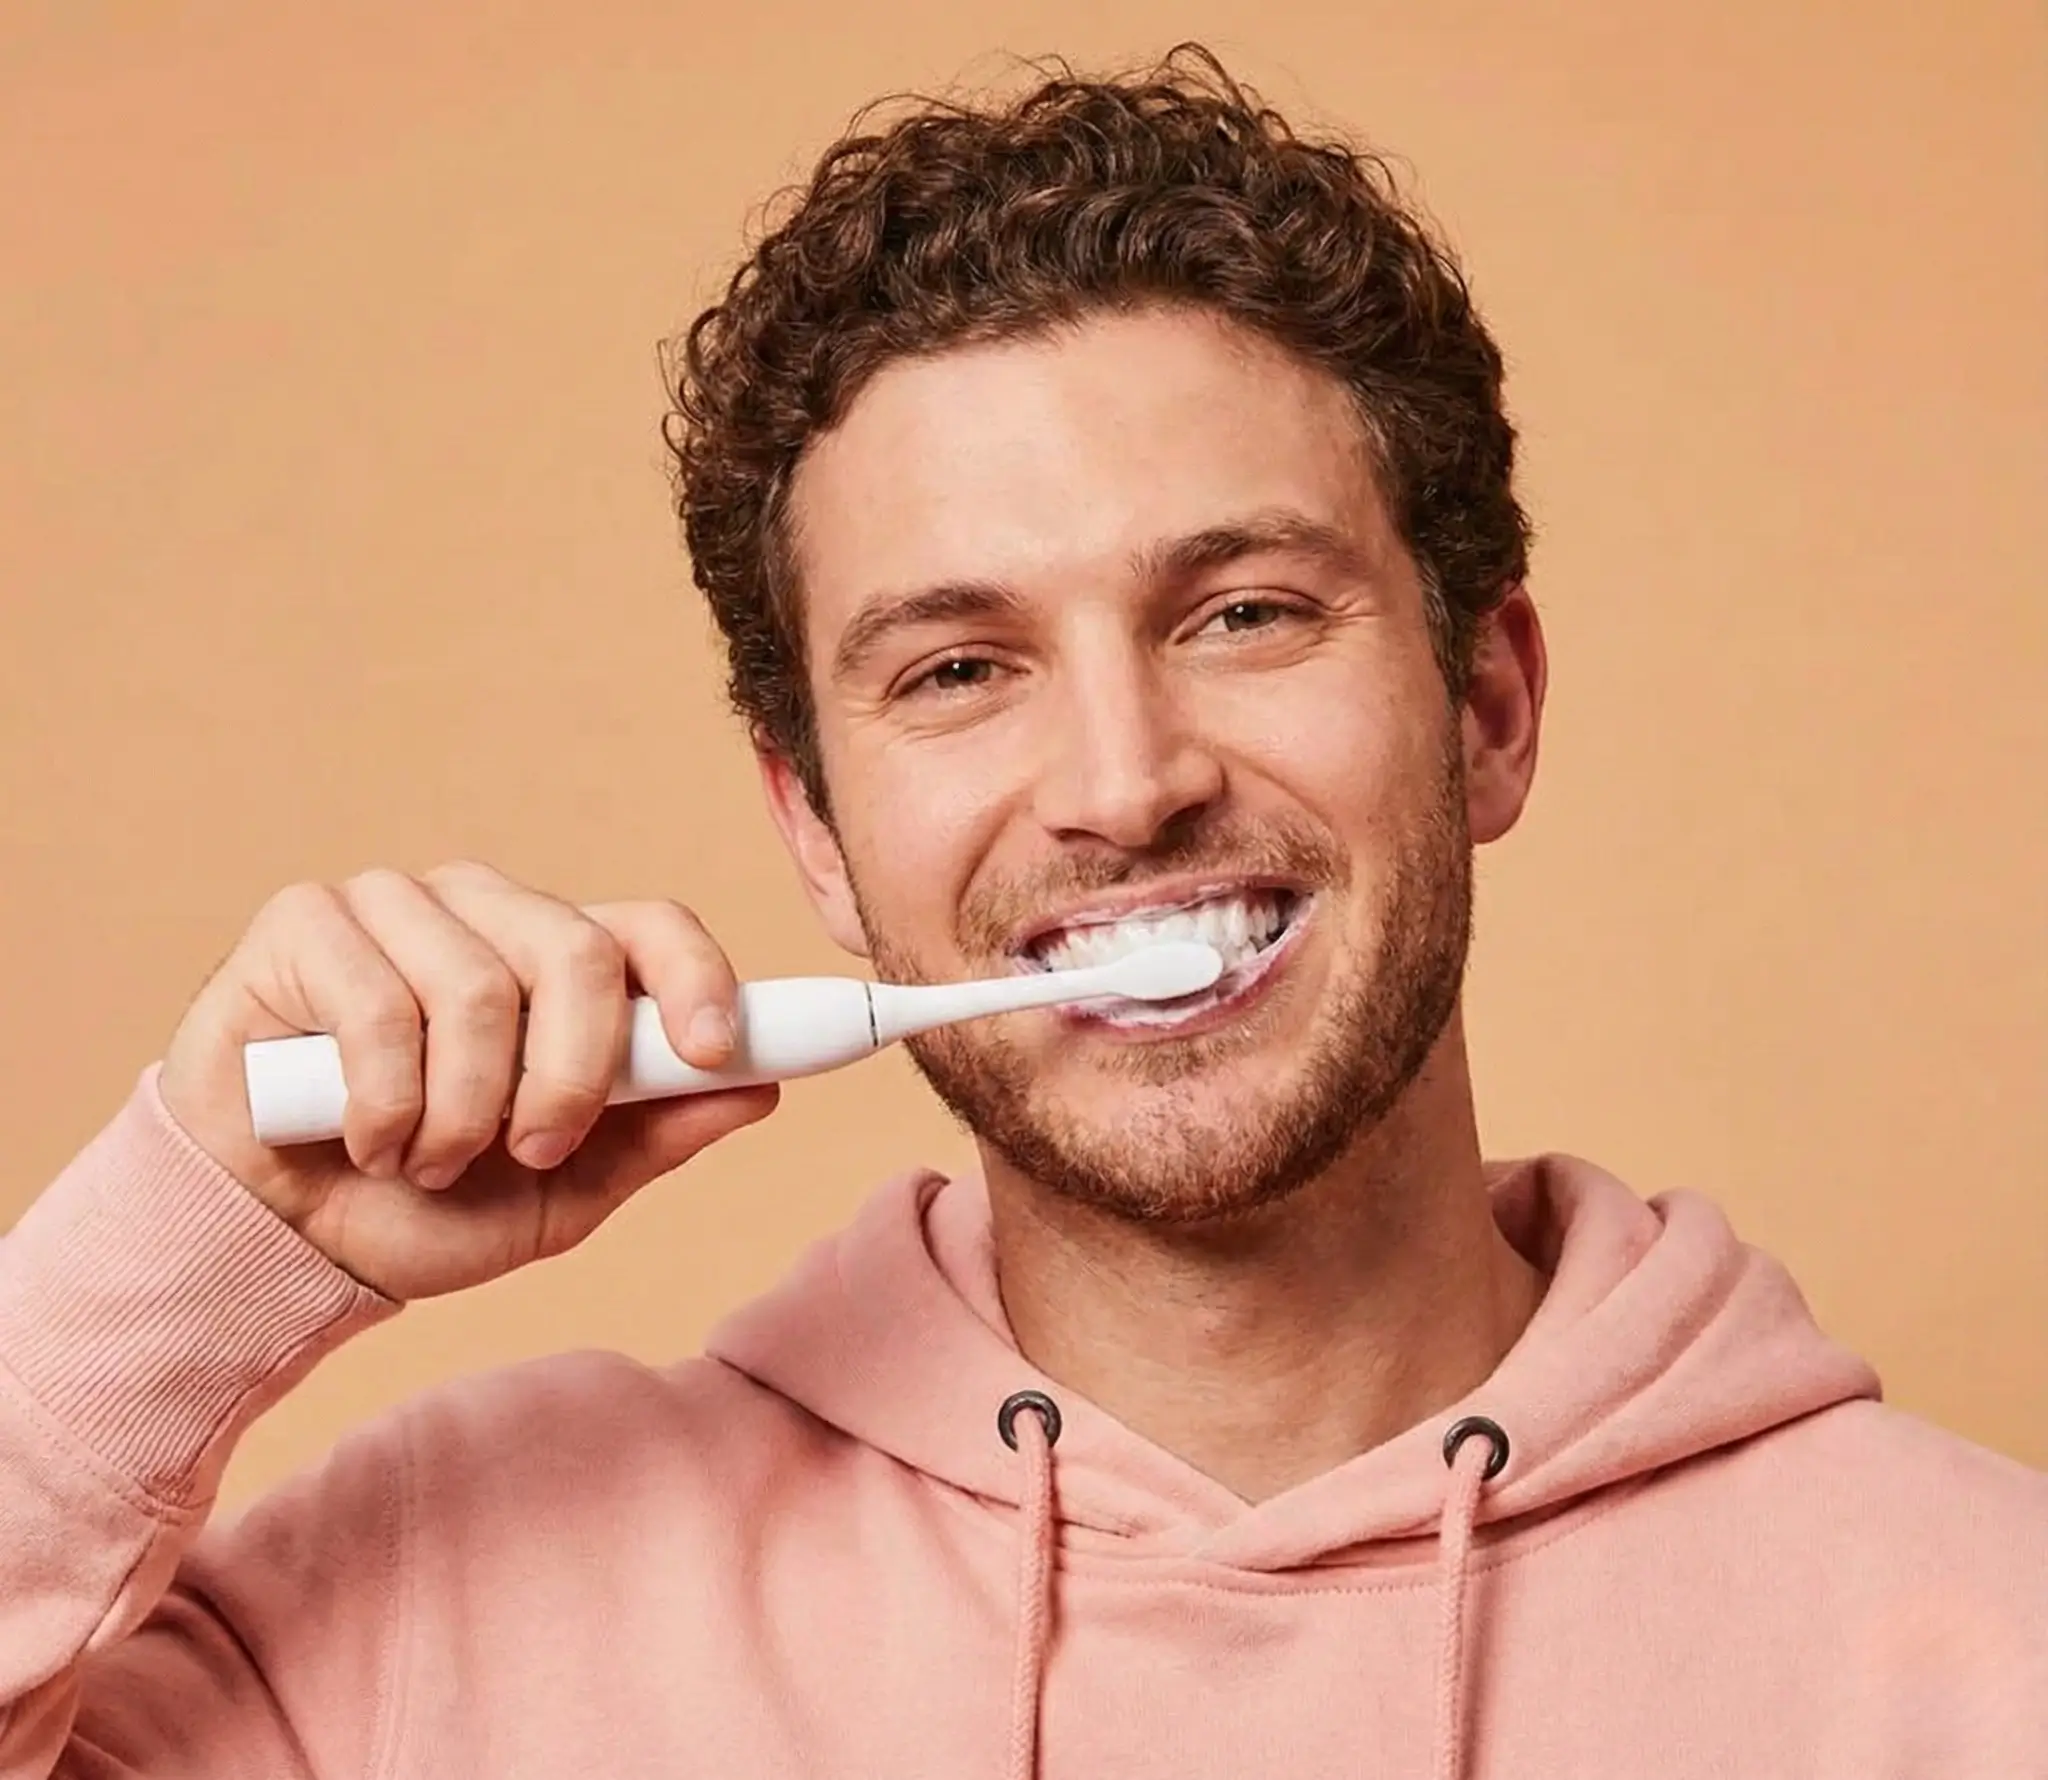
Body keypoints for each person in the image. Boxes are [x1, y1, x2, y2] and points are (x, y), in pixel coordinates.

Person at [1, 41, 2040, 1780]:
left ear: (1485, 707)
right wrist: (180, 1248)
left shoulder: (1983, 1651)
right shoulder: (428, 1613)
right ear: (812, 825)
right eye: (959, 666)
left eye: (1242, 612)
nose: (1121, 779)